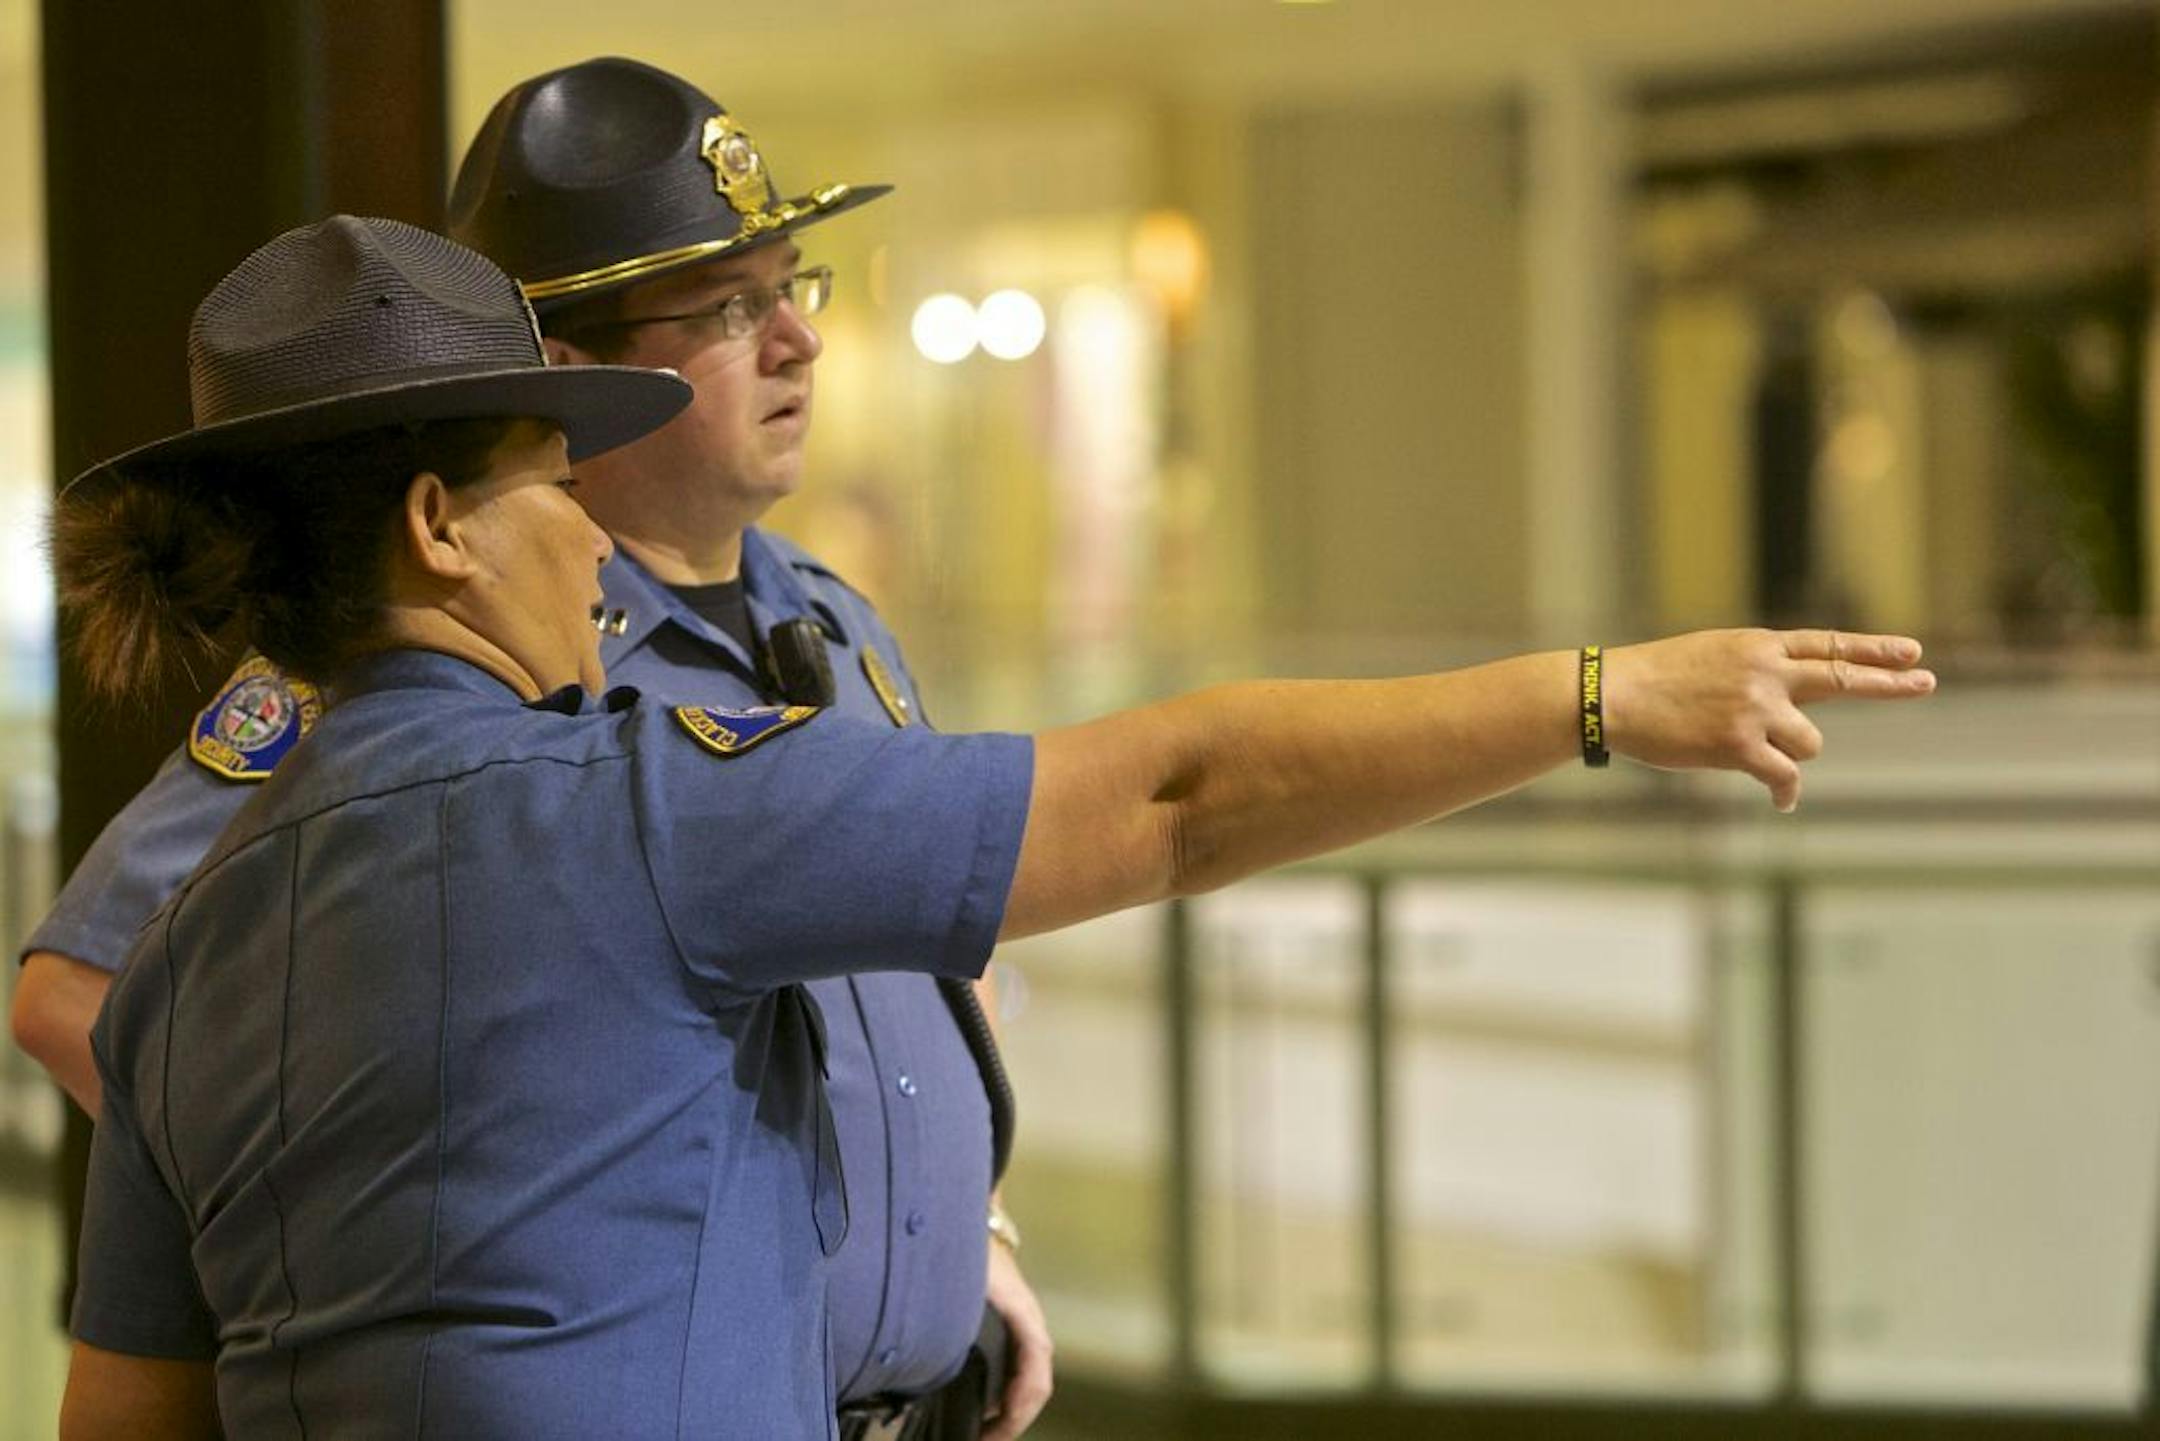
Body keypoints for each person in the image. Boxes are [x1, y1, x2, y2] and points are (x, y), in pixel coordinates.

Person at [51, 215, 1930, 1440]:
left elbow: (120, 1420)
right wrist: (1595, 696)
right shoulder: (632, 811)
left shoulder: (186, 959)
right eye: (552, 482)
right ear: (438, 529)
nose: (588, 535)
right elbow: (1178, 799)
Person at [16, 55, 1052, 1441]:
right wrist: (442, 1221)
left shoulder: (834, 620)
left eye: (790, 285)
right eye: (729, 306)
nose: (797, 340)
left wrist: (969, 1225)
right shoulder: (428, 664)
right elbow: (85, 990)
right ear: (565, 371)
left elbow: (923, 966)